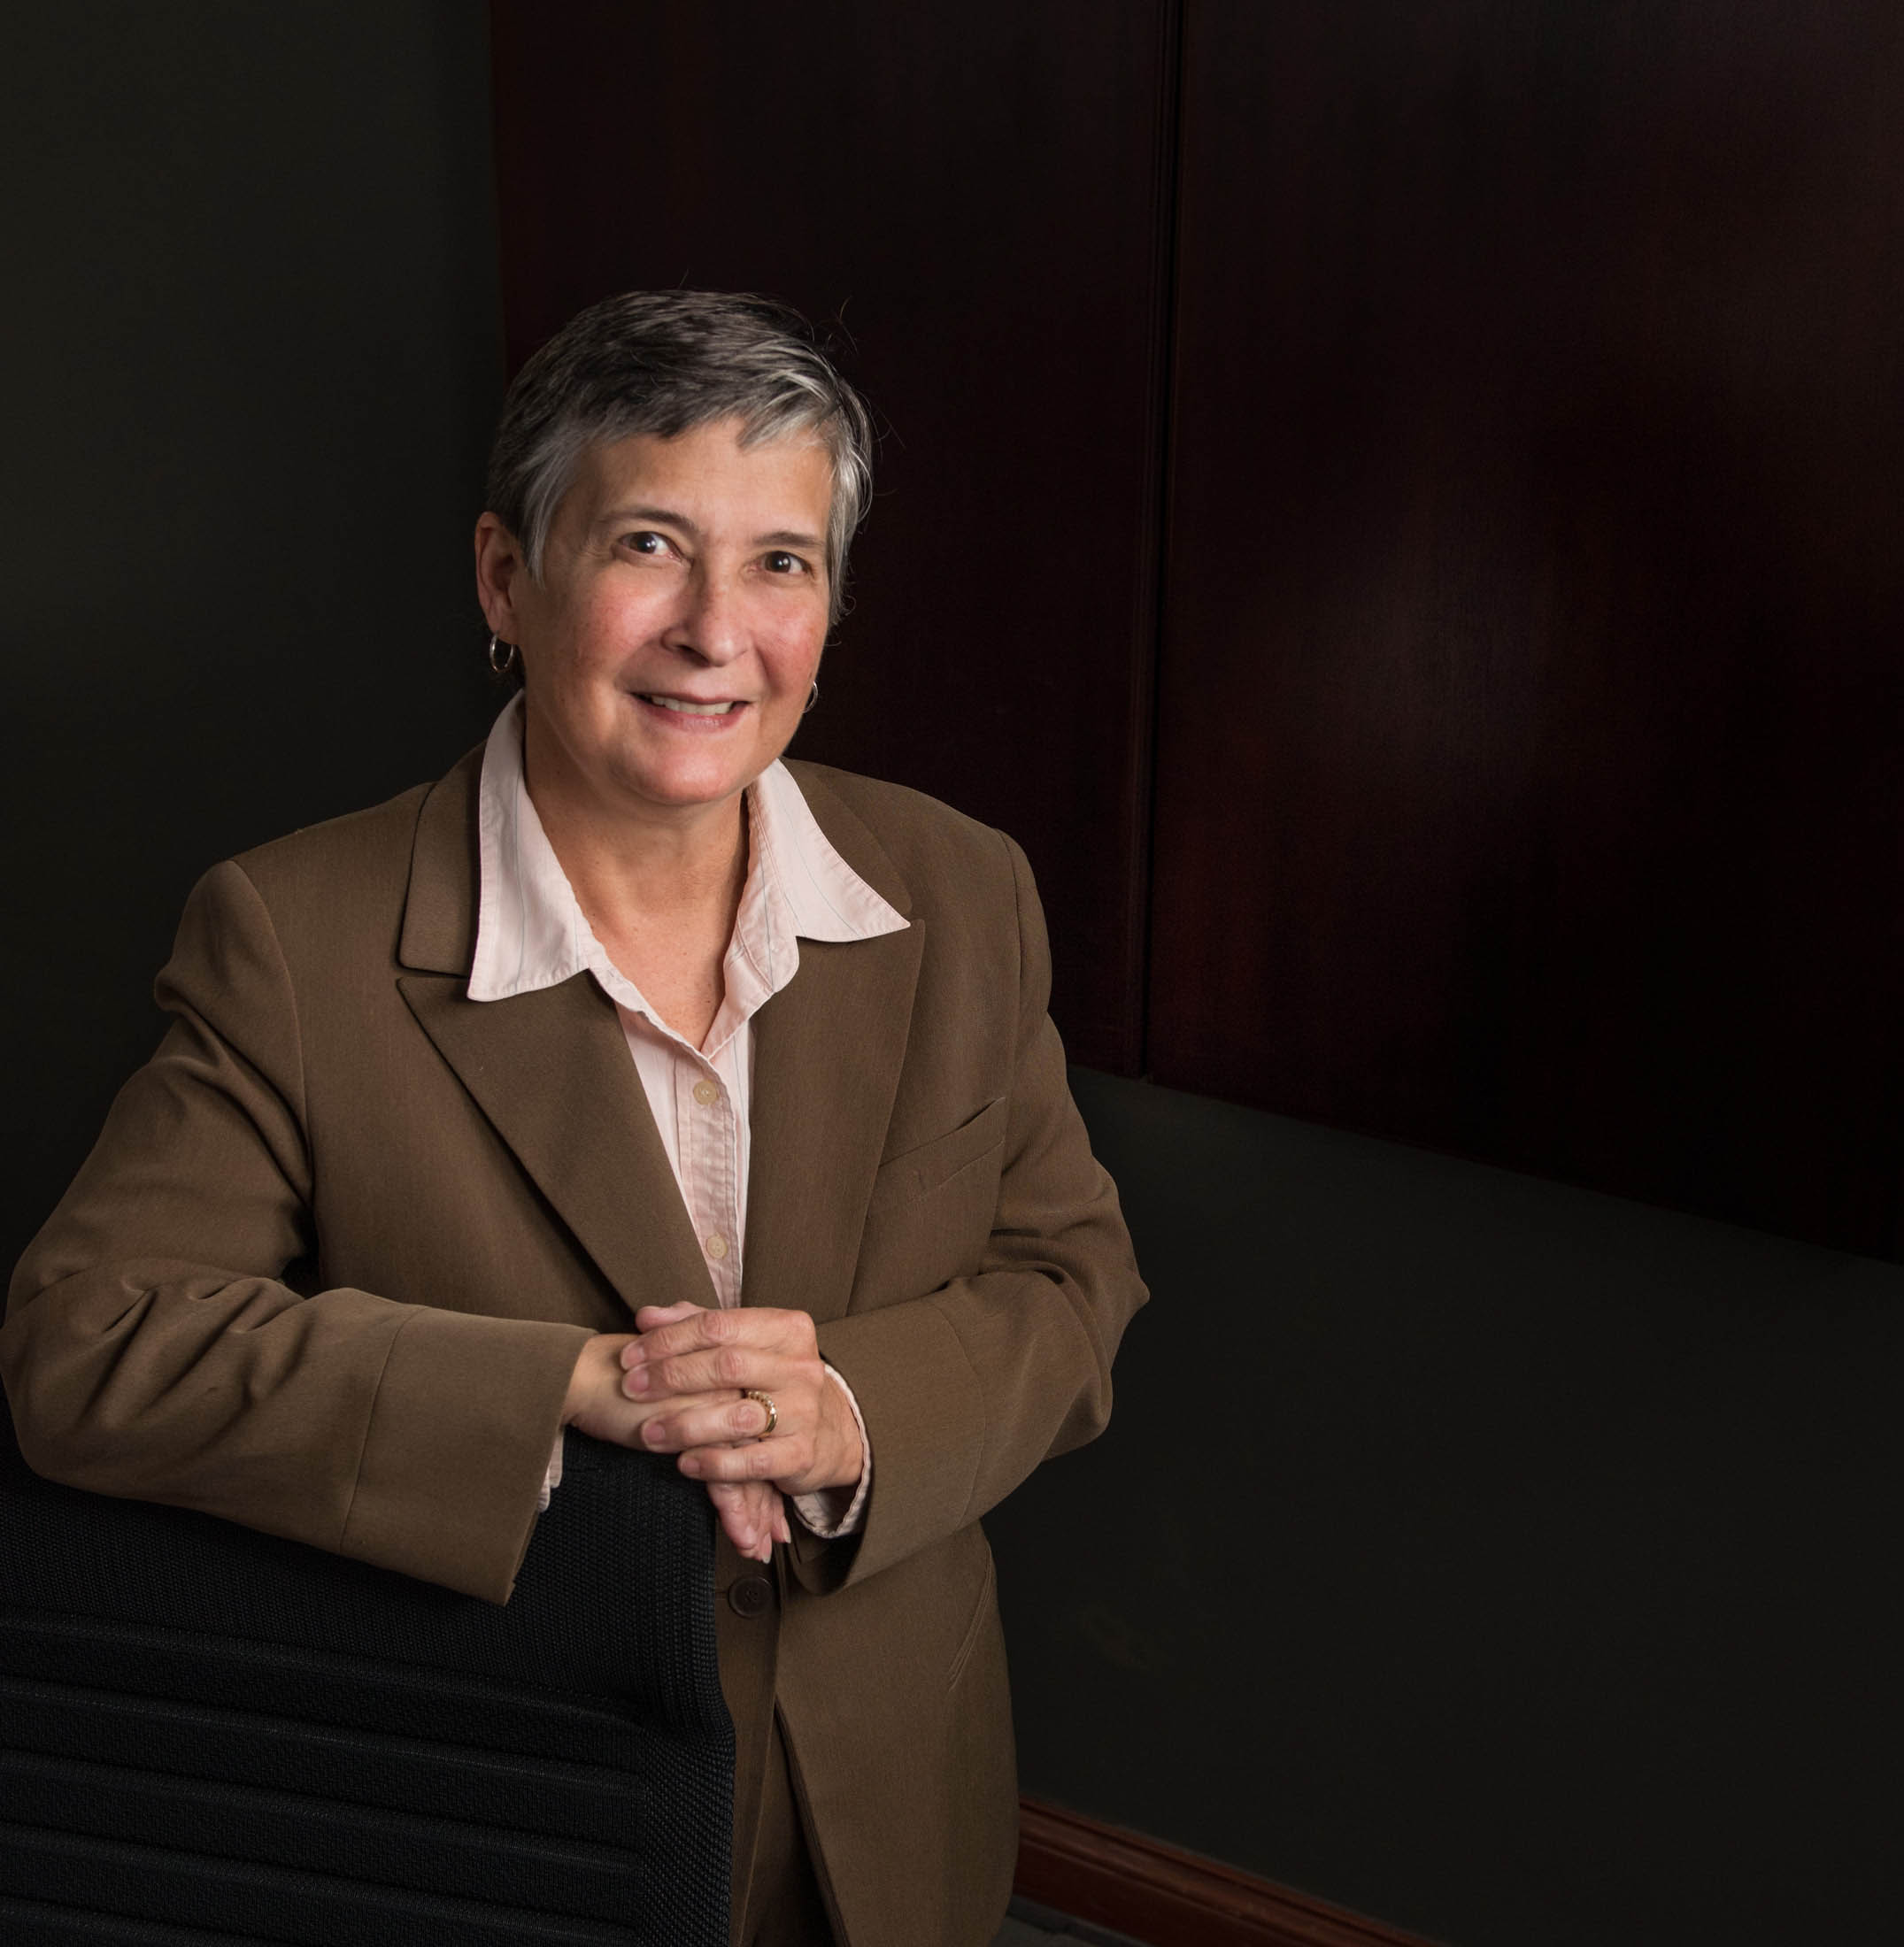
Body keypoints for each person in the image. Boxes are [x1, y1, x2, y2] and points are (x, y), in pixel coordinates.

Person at [2, 291, 1146, 1947]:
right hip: (512, 1807)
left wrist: (851, 1411)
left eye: (780, 562)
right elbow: (86, 1344)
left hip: (898, 1795)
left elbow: (1072, 1280)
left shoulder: (964, 889)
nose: (715, 630)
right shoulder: (295, 938)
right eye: (649, 546)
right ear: (504, 578)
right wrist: (569, 1389)